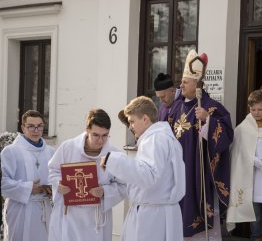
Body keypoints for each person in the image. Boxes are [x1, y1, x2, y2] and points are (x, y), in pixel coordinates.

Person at [99, 96, 186, 241]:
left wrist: (113, 161)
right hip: (162, 212)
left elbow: (149, 176)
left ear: (145, 119)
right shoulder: (165, 138)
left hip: (152, 217)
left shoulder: (154, 139)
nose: (130, 126)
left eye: (132, 121)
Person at [172, 49, 234, 240]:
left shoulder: (211, 106)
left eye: (186, 81)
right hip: (177, 170)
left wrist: (208, 120)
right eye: (182, 81)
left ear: (197, 84)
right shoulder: (176, 106)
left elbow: (227, 136)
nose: (181, 84)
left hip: (198, 172)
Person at [48, 109, 126, 241]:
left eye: (105, 135)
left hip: (97, 218)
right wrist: (58, 183)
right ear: (87, 130)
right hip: (70, 215)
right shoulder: (68, 148)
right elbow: (52, 171)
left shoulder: (114, 155)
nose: (101, 140)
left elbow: (124, 185)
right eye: (96, 135)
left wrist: (105, 191)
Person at [226, 90, 262, 241]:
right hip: (252, 176)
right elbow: (238, 151)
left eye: (260, 109)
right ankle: (257, 236)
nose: (256, 113)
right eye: (253, 110)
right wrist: (254, 160)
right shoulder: (243, 128)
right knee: (255, 212)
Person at [1, 110, 55, 241]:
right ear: (23, 128)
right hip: (20, 210)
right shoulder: (11, 152)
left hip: (44, 208)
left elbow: (57, 177)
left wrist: (52, 189)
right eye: (31, 126)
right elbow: (3, 182)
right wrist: (29, 188)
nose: (36, 130)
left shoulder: (50, 152)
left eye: (40, 126)